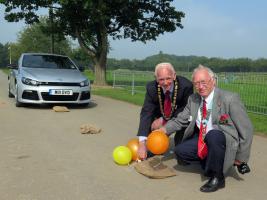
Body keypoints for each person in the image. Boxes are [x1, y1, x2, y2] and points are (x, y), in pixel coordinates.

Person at [160, 64, 253, 192]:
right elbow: (180, 119)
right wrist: (163, 130)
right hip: (204, 140)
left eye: (203, 82)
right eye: (196, 83)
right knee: (180, 151)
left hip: (222, 139)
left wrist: (240, 159)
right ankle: (213, 162)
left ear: (213, 81)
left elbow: (246, 129)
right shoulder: (193, 99)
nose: (200, 86)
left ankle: (217, 177)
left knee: (213, 135)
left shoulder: (229, 99)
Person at [137, 62, 193, 160]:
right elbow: (147, 111)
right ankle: (155, 146)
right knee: (151, 146)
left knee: (181, 153)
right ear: (156, 78)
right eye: (161, 79)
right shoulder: (151, 88)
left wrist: (164, 121)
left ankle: (181, 145)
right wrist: (142, 142)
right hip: (160, 113)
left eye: (168, 78)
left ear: (174, 76)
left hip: (179, 116)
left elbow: (185, 110)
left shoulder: (186, 86)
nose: (165, 82)